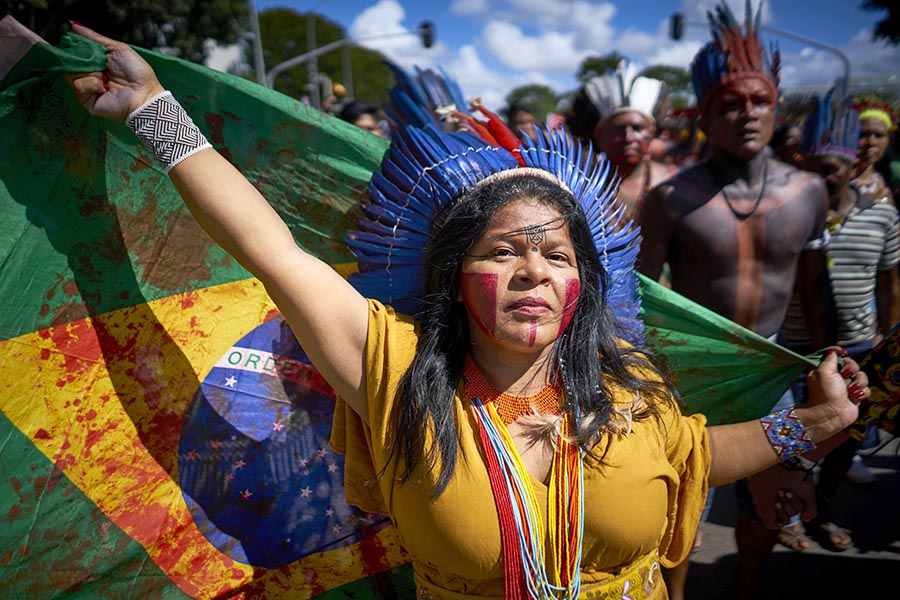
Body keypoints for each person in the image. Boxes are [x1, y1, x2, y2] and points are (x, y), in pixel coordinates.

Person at [65, 22, 867, 599]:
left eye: (557, 257)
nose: (533, 272)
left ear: (583, 285)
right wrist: (155, 112)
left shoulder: (628, 388)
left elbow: (695, 456)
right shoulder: (396, 371)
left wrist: (816, 425)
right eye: (502, 252)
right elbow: (273, 251)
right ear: (453, 277)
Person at [637, 3, 839, 599]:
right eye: (730, 103)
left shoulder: (808, 191)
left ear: (776, 107)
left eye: (759, 101)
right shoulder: (672, 197)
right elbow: (642, 292)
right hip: (690, 373)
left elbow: (814, 288)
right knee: (679, 501)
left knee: (770, 497)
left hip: (771, 368)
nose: (747, 113)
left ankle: (747, 585)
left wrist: (826, 359)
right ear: (704, 114)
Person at [780, 96, 900, 553]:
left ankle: (821, 511)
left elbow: (889, 283)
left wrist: (887, 343)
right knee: (789, 439)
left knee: (843, 443)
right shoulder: (788, 216)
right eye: (817, 167)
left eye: (835, 167)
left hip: (860, 350)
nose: (826, 176)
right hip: (793, 351)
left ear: (853, 166)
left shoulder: (883, 215)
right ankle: (788, 518)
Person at [569, 59, 676, 221]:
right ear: (599, 135)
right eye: (617, 130)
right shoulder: (580, 187)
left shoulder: (672, 180)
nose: (628, 137)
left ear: (652, 132)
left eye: (637, 128)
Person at [852, 99, 896, 206]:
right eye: (863, 135)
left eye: (879, 135)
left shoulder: (883, 181)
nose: (871, 142)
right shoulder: (838, 183)